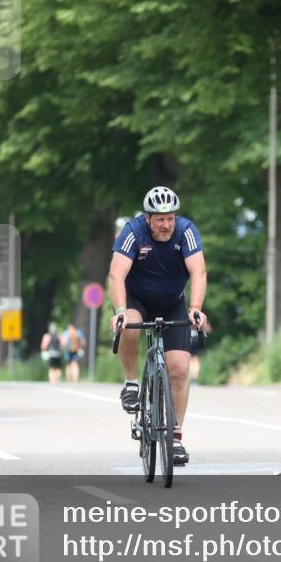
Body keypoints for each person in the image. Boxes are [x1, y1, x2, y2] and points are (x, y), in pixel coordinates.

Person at [109, 186, 208, 465]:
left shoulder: (186, 231)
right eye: (160, 219)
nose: (167, 225)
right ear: (148, 218)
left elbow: (198, 271)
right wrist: (119, 311)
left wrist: (196, 308)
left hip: (172, 301)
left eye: (171, 218)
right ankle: (130, 383)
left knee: (179, 369)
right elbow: (116, 275)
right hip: (136, 299)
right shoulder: (132, 232)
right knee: (130, 324)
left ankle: (175, 438)